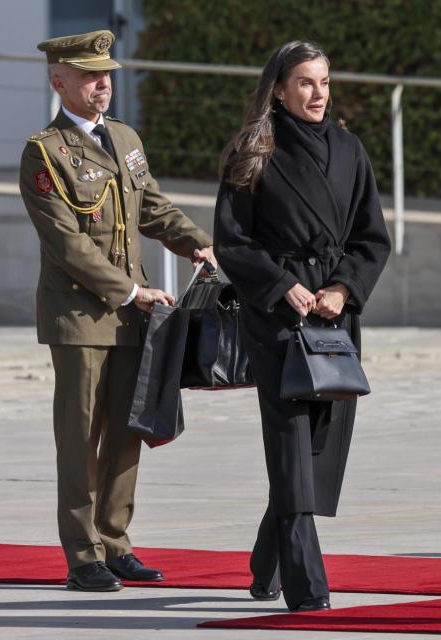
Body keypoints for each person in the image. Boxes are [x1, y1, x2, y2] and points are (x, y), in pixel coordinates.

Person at [19, 30, 215, 592]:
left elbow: (152, 207)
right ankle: (83, 556)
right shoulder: (45, 151)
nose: (101, 84)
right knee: (80, 437)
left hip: (134, 316)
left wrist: (199, 242)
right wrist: (132, 292)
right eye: (88, 75)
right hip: (82, 318)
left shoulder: (125, 137)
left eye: (106, 74)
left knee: (128, 431)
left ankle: (115, 541)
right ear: (59, 82)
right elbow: (66, 243)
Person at [214, 41, 391, 612]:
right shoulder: (253, 152)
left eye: (325, 82)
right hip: (277, 317)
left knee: (317, 447)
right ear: (280, 89)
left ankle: (265, 562)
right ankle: (307, 587)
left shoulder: (349, 148)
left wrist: (342, 288)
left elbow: (371, 238)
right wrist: (280, 286)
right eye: (307, 83)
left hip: (334, 317)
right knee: (288, 442)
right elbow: (232, 243)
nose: (319, 93)